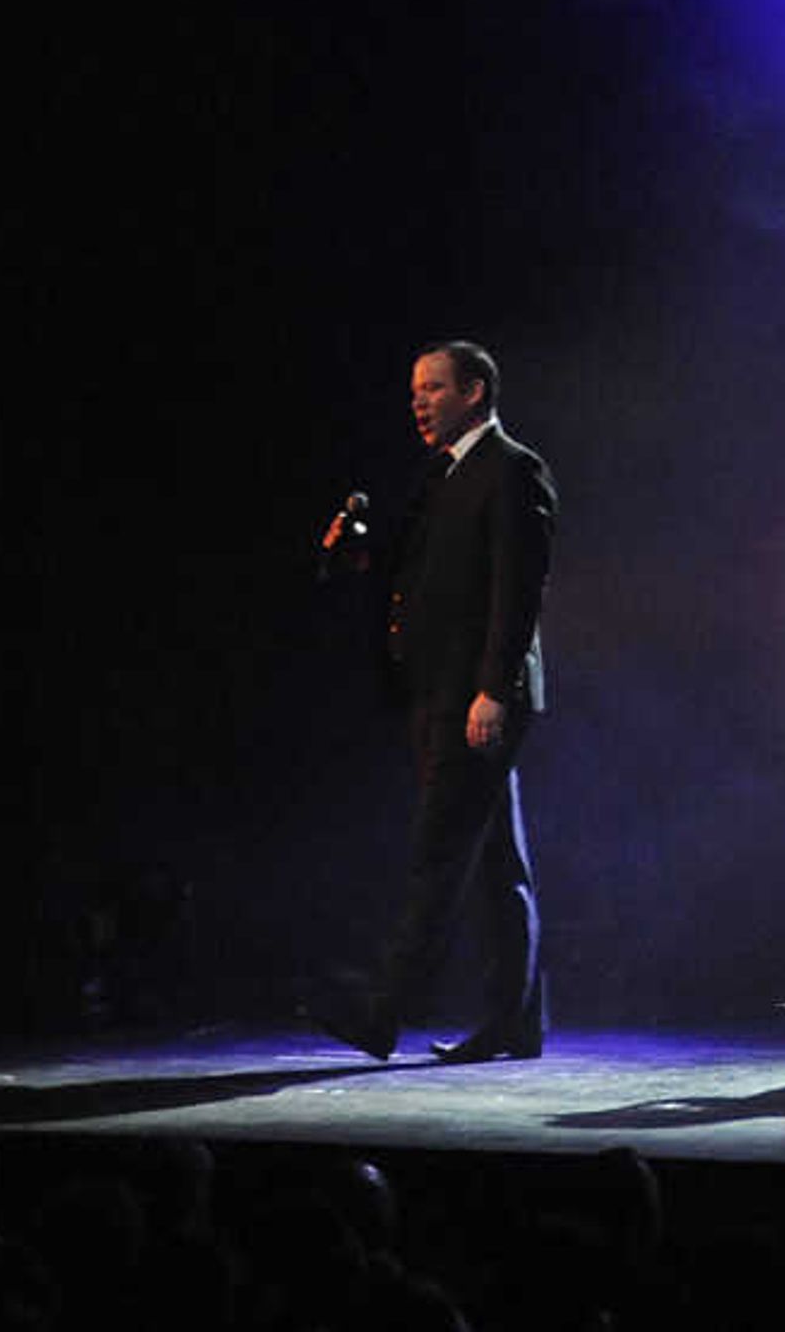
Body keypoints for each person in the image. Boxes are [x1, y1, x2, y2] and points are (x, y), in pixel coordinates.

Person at [319, 340, 557, 1062]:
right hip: (439, 692)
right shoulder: (444, 474)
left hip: (477, 697)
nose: (418, 401)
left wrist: (493, 688)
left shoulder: (513, 470)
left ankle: (381, 1010)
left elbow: (518, 591)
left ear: (475, 391)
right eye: (414, 389)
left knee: (439, 854)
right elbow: (416, 570)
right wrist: (354, 553)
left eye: (433, 387)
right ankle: (517, 1020)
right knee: (494, 864)